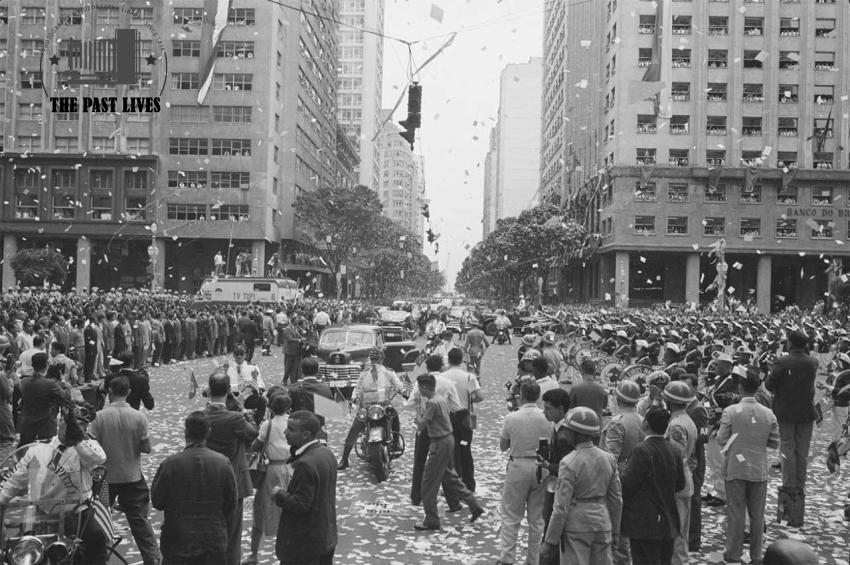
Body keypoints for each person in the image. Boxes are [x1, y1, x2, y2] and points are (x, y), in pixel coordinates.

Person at [0, 406, 109, 565]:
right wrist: (2, 500)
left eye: (80, 425)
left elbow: (98, 458)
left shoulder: (87, 447)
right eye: (68, 423)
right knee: (21, 550)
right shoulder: (39, 448)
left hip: (77, 511)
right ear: (60, 421)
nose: (70, 428)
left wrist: (77, 438)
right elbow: (17, 478)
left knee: (96, 539)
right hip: (42, 513)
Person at [89, 376, 160, 565]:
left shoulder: (99, 417)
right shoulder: (139, 417)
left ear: (110, 392)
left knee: (99, 522)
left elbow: (91, 448)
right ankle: (152, 559)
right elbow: (146, 448)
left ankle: (98, 559)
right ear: (128, 392)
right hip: (132, 477)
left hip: (106, 480)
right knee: (140, 522)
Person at [151, 411, 237, 565]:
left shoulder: (170, 464)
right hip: (212, 540)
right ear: (208, 432)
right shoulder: (223, 463)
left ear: (186, 432)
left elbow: (157, 501)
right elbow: (231, 504)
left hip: (178, 540)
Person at [541, 406, 623, 565]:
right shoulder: (608, 459)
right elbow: (616, 500)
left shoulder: (568, 462)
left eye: (568, 430)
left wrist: (550, 541)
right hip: (603, 523)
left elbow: (561, 507)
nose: (565, 433)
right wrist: (616, 532)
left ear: (576, 434)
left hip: (576, 526)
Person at [717, 371, 780, 565]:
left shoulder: (730, 411)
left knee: (736, 513)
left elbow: (721, 439)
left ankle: (733, 553)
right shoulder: (768, 413)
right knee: (757, 514)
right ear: (757, 387)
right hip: (758, 468)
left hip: (735, 467)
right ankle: (756, 555)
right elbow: (774, 442)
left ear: (740, 387)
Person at [414, 373, 485, 530]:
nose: (418, 391)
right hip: (447, 440)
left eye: (419, 387)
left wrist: (418, 410)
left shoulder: (432, 403)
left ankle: (431, 519)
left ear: (425, 387)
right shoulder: (440, 399)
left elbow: (421, 425)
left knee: (428, 482)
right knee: (450, 477)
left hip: (439, 443)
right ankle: (473, 504)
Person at [204, 371, 258, 565]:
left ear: (209, 390)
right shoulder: (235, 418)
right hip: (234, 479)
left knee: (209, 529)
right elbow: (253, 433)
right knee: (233, 532)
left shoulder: (200, 416)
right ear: (228, 390)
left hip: (207, 480)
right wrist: (243, 410)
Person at [620, 407, 685, 565]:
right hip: (668, 520)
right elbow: (680, 484)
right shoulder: (675, 450)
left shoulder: (641, 450)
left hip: (644, 522)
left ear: (645, 424)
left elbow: (628, 485)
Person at [766, 330, 818, 527]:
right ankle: (800, 487)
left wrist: (772, 370)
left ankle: (788, 486)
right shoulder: (813, 362)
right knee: (802, 452)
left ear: (789, 343)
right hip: (806, 412)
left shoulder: (782, 361)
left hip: (786, 412)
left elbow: (769, 385)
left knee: (787, 449)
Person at [497, 380, 552, 565]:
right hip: (541, 466)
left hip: (518, 465)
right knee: (537, 518)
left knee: (511, 514)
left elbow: (503, 446)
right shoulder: (547, 418)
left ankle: (507, 558)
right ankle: (533, 559)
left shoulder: (512, 418)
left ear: (521, 395)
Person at [273, 411, 338, 565]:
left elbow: (301, 505)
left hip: (304, 545)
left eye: (291, 429)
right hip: (325, 537)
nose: (285, 432)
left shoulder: (306, 464)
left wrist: (279, 494)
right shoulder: (326, 453)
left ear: (306, 435)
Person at [407, 355, 464, 508]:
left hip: (424, 427)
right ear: (442, 367)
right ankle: (453, 501)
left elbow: (410, 403)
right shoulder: (448, 383)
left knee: (419, 462)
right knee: (446, 465)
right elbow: (456, 406)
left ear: (427, 367)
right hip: (441, 429)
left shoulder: (420, 384)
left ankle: (416, 497)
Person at [338, 348, 407, 470]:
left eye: (376, 359)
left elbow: (398, 385)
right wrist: (354, 399)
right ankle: (344, 459)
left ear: (381, 359)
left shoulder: (386, 372)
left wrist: (403, 390)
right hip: (368, 408)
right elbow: (358, 389)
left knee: (394, 416)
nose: (375, 361)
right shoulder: (365, 373)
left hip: (383, 406)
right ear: (381, 359)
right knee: (354, 430)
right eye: (373, 359)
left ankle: (396, 442)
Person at [245, 394, 293, 565]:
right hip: (290, 469)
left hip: (271, 470)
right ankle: (289, 555)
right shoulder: (293, 422)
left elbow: (256, 445)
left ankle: (254, 554)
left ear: (271, 407)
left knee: (261, 510)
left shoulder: (268, 424)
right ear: (289, 407)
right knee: (289, 510)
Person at [603, 380, 645, 565]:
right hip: (639, 474)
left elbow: (611, 457)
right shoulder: (642, 420)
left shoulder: (617, 422)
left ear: (618, 398)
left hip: (619, 476)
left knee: (618, 523)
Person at [662, 381, 698, 565]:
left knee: (676, 530)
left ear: (670, 401)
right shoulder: (687, 420)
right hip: (685, 477)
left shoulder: (676, 425)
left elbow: (675, 457)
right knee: (681, 529)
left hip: (677, 482)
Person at [442, 347, 484, 492]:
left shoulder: (443, 377)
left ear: (449, 359)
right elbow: (479, 397)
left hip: (447, 419)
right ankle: (469, 484)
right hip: (464, 419)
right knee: (465, 449)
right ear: (461, 360)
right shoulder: (468, 377)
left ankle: (453, 484)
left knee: (451, 452)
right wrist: (469, 400)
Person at [18, 352, 67, 447]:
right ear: (47, 364)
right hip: (46, 426)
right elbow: (65, 397)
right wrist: (63, 381)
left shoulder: (24, 382)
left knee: (24, 450)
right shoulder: (51, 384)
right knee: (45, 452)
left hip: (27, 424)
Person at [288, 357, 334, 441]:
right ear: (317, 371)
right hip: (319, 433)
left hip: (299, 433)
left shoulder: (294, 388)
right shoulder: (325, 388)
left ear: (301, 370)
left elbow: (287, 409)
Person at [225, 344, 267, 423]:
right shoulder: (228, 368)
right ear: (233, 355)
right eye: (237, 354)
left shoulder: (252, 367)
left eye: (241, 354)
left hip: (248, 397)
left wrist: (260, 387)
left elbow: (259, 380)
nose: (239, 356)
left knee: (262, 401)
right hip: (233, 397)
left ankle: (256, 423)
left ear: (245, 355)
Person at [571, 358, 609, 422]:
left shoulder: (575, 389)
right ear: (594, 372)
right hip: (597, 424)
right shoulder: (602, 389)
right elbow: (604, 406)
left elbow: (570, 406)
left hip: (580, 424)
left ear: (581, 371)